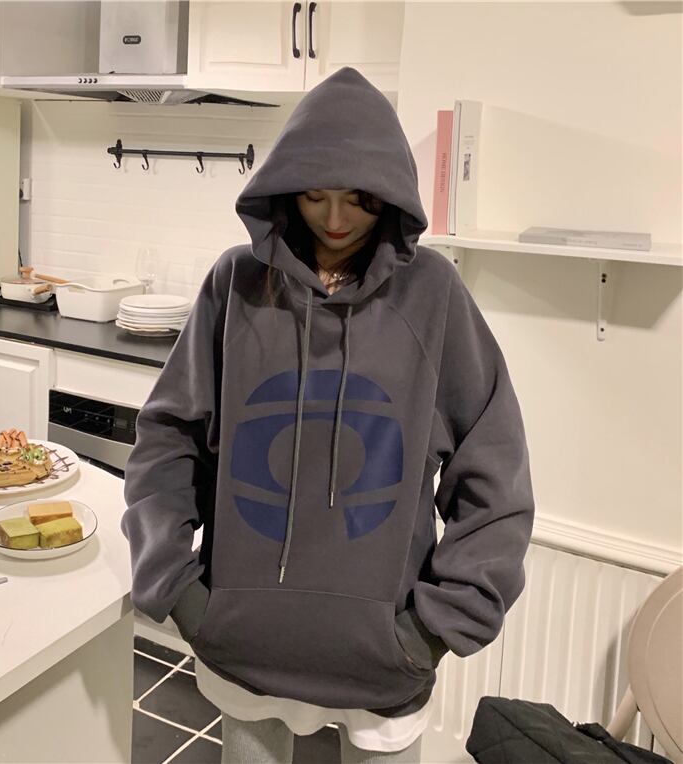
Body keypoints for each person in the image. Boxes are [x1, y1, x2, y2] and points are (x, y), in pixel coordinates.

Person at [120, 66, 535, 763]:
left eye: (359, 201)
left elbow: (494, 473)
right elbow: (167, 442)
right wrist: (179, 591)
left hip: (383, 664)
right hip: (241, 648)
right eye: (315, 196)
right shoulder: (235, 284)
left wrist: (432, 631)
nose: (335, 220)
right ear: (288, 189)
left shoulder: (432, 294)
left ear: (389, 198)